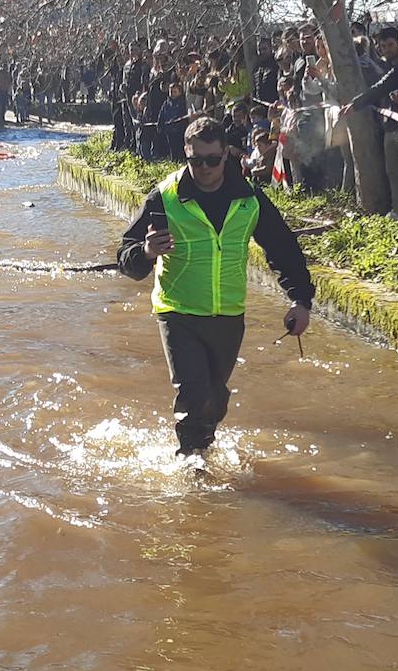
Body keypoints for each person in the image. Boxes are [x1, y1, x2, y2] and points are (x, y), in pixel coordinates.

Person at [116, 116, 316, 456]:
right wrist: (147, 251)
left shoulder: (249, 199)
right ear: (185, 154)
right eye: (195, 160)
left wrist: (300, 300)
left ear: (227, 155)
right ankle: (191, 466)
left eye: (212, 160)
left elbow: (283, 250)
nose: (204, 168)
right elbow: (126, 257)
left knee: (215, 397)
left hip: (227, 315)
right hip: (177, 312)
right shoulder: (164, 198)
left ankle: (202, 448)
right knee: (194, 394)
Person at [342, 25, 398, 219]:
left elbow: (383, 87)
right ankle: (396, 208)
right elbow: (378, 89)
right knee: (392, 171)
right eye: (383, 46)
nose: (387, 50)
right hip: (387, 124)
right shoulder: (380, 67)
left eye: (391, 45)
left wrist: (356, 104)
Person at [157, 80, 189, 161]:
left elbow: (182, 114)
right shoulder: (166, 103)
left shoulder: (182, 102)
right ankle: (174, 160)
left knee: (179, 146)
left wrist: (175, 119)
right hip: (169, 129)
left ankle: (181, 160)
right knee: (172, 146)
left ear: (179, 92)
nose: (172, 93)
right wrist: (159, 124)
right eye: (171, 91)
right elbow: (161, 113)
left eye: (175, 92)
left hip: (179, 129)